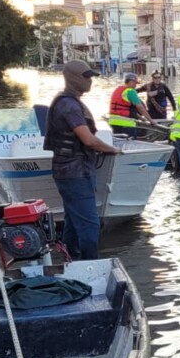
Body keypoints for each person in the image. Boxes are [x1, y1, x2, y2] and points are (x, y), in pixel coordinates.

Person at [43, 61, 123, 260]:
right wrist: (113, 149)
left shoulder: (68, 102)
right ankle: (90, 265)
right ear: (74, 78)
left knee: (72, 221)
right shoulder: (69, 105)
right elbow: (88, 140)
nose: (90, 81)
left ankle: (70, 260)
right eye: (87, 76)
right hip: (74, 173)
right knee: (90, 225)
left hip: (74, 171)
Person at [109, 72, 152, 138]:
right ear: (131, 82)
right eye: (135, 83)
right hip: (126, 124)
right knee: (130, 142)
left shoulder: (118, 89)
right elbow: (140, 108)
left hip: (113, 122)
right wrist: (151, 120)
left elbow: (129, 109)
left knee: (119, 141)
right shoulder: (130, 91)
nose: (135, 86)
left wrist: (142, 119)